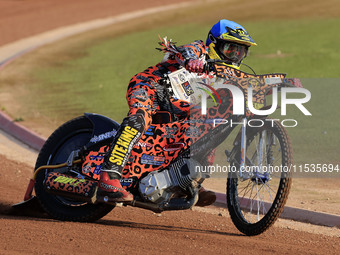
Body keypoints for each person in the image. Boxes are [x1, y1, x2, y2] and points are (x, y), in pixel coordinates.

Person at [98, 19, 257, 206]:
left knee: (210, 125)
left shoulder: (224, 77)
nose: (234, 57)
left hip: (177, 105)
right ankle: (108, 175)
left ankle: (188, 180)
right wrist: (192, 61)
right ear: (214, 43)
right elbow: (184, 52)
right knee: (138, 119)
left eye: (240, 53)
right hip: (150, 86)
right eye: (230, 49)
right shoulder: (199, 49)